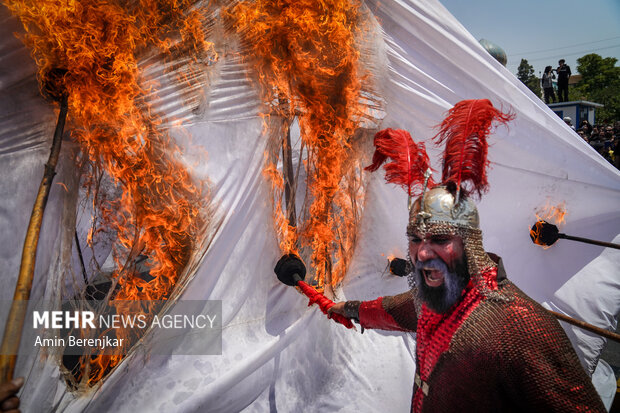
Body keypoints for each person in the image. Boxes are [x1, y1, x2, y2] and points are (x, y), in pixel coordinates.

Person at [275, 100, 605, 412]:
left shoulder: (522, 329)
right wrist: (344, 308)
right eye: (417, 240)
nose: (422, 253)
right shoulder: (437, 299)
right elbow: (396, 309)